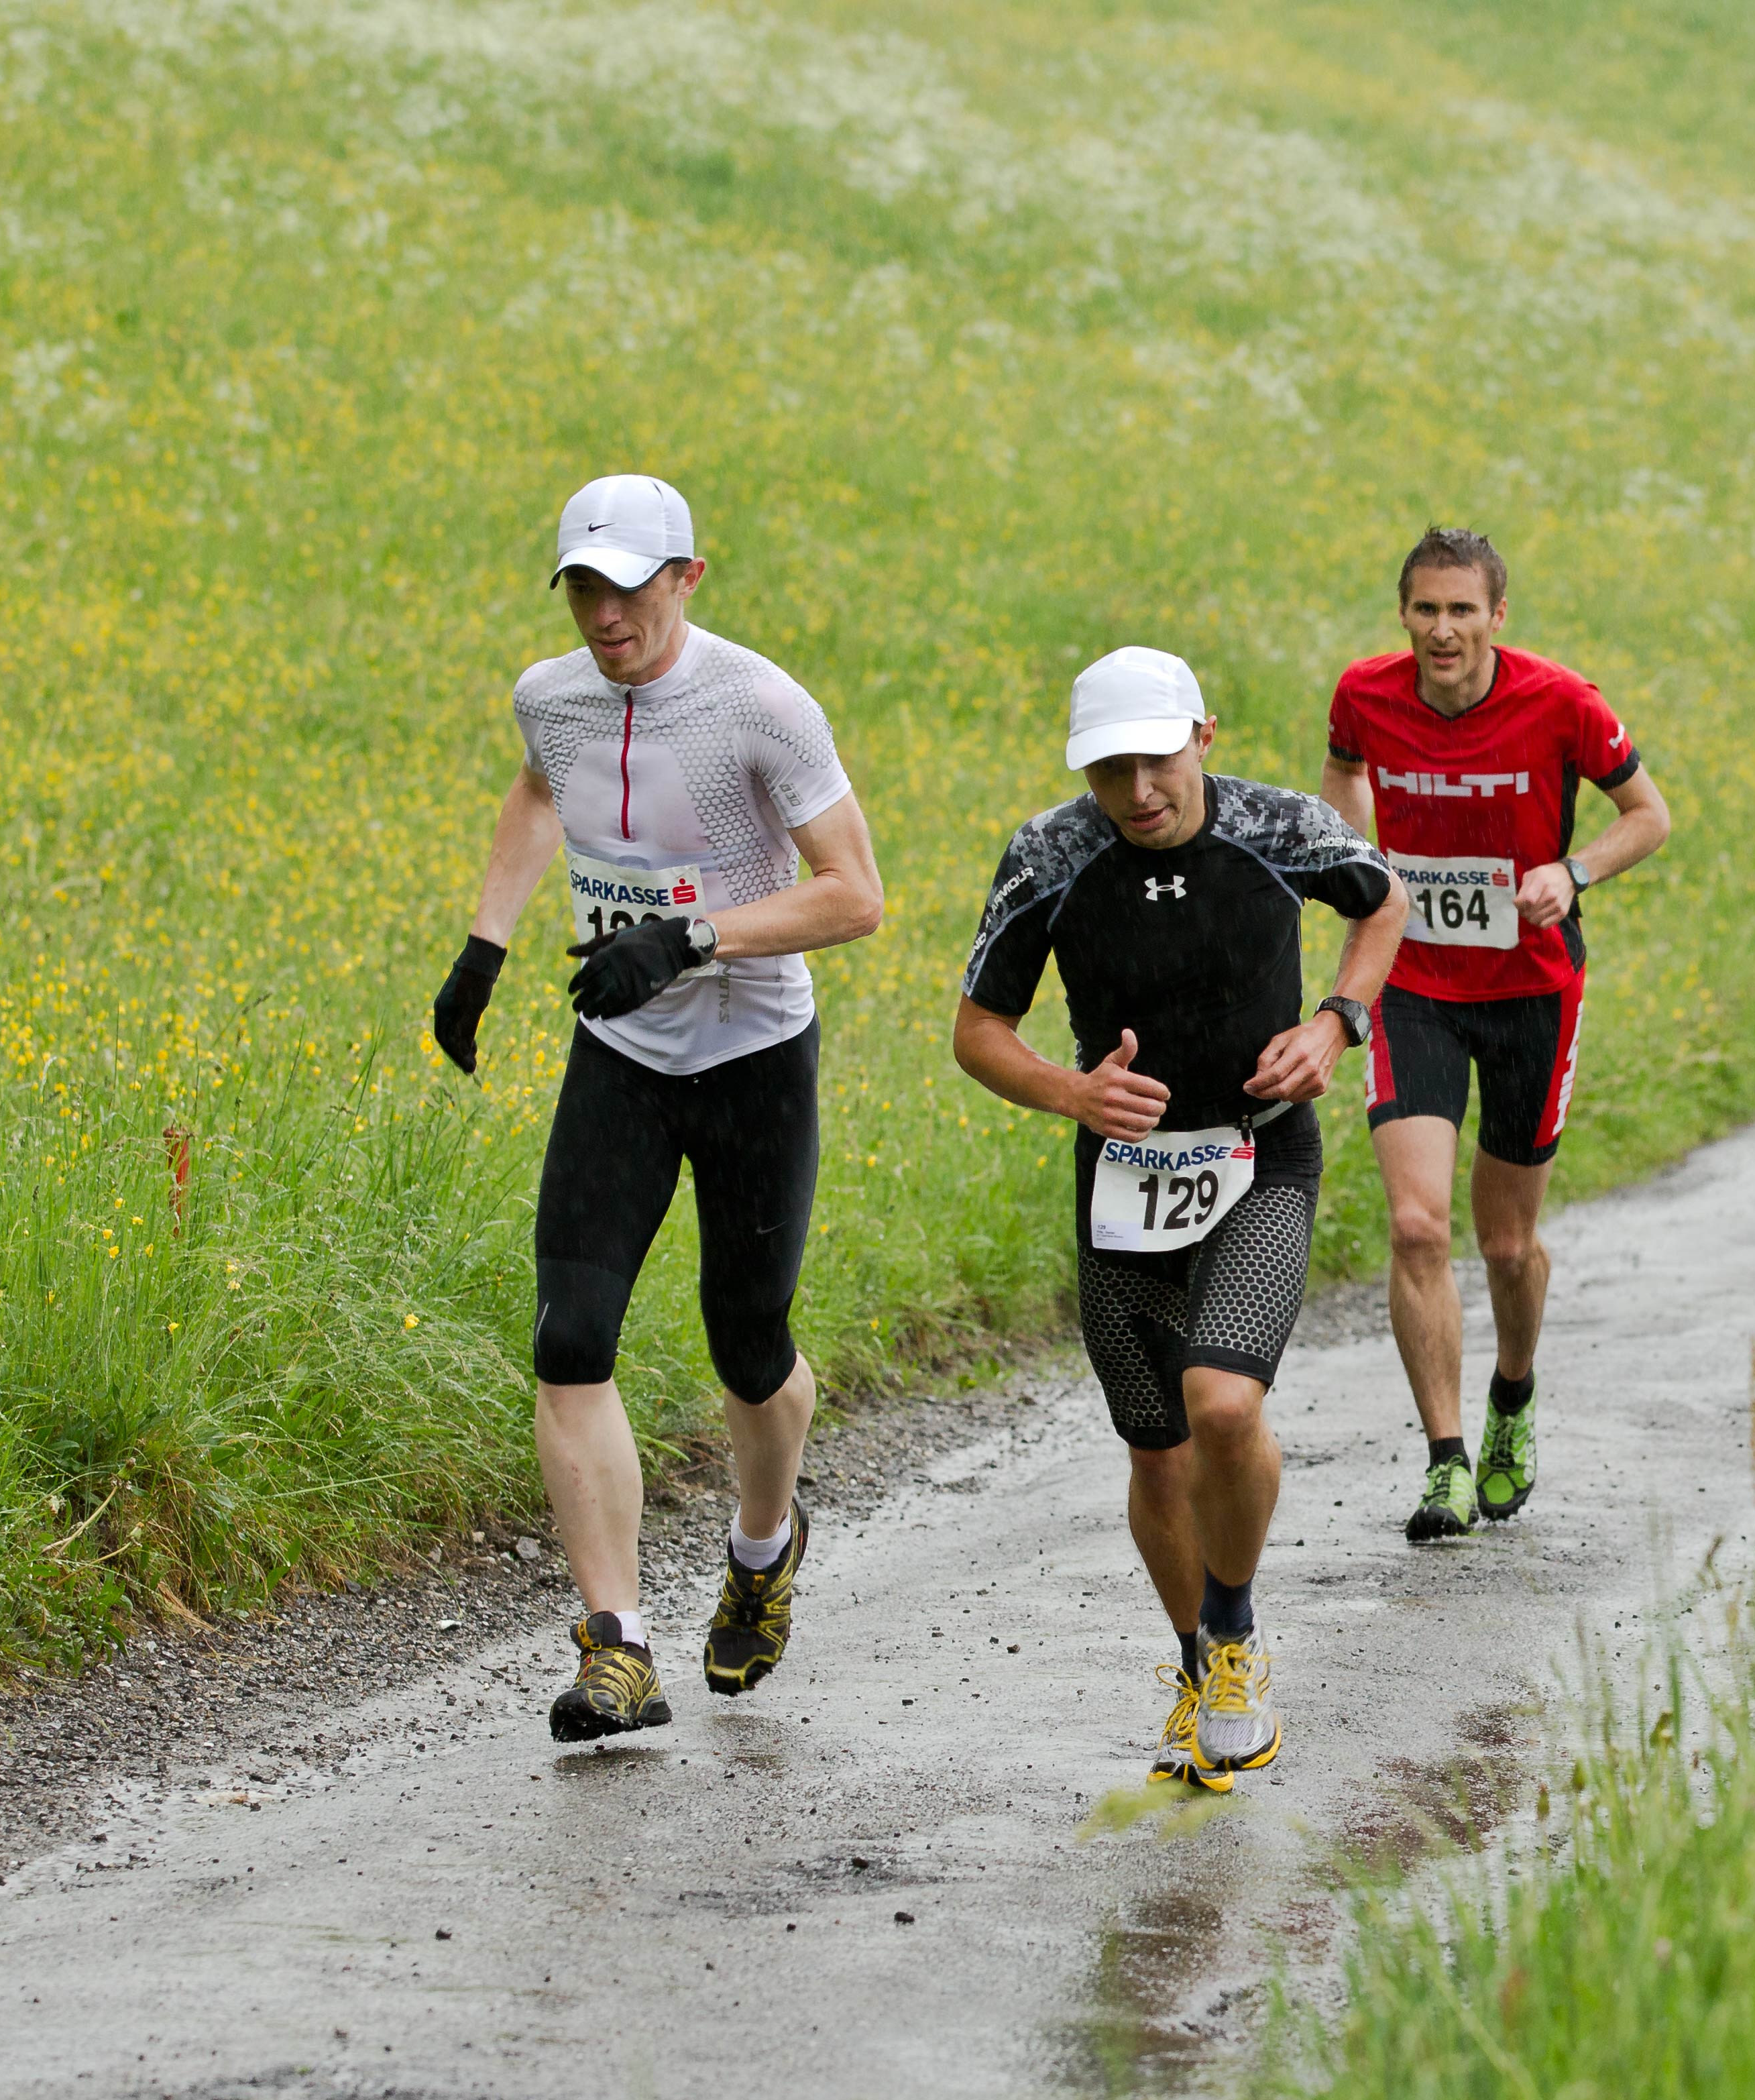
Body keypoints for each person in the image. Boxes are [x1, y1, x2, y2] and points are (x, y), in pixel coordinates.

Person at [431, 474, 884, 1743]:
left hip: (753, 1055)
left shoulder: (761, 705)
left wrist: (690, 937)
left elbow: (855, 894)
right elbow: (542, 790)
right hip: (619, 1054)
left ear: (688, 577)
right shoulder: (552, 695)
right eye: (582, 588)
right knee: (570, 1338)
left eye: (628, 587)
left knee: (748, 1345)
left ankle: (763, 1547)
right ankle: (617, 1645)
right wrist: (484, 946)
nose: (604, 615)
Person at [956, 647, 1402, 1791]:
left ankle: (1237, 1632)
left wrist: (1336, 1021)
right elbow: (978, 1031)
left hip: (1260, 1154)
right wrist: (1071, 1090)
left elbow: (1384, 898)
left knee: (1224, 1403)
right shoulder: (1051, 854)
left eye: (1156, 761)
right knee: (1156, 1452)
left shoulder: (1277, 825)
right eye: (1110, 770)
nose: (1138, 790)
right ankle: (1198, 1665)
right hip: (1123, 1177)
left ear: (1203, 737)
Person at [1318, 528, 1675, 1545]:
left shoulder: (1561, 702)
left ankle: (1512, 1393)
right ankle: (1445, 1462)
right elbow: (1343, 773)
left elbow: (1648, 815)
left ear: (1497, 616)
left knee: (1507, 1245)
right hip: (1413, 985)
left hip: (1532, 990)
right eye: (1427, 609)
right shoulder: (1364, 693)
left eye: (1462, 611)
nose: (1444, 630)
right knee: (1417, 1227)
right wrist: (1355, 860)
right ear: (1403, 613)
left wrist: (1575, 871)